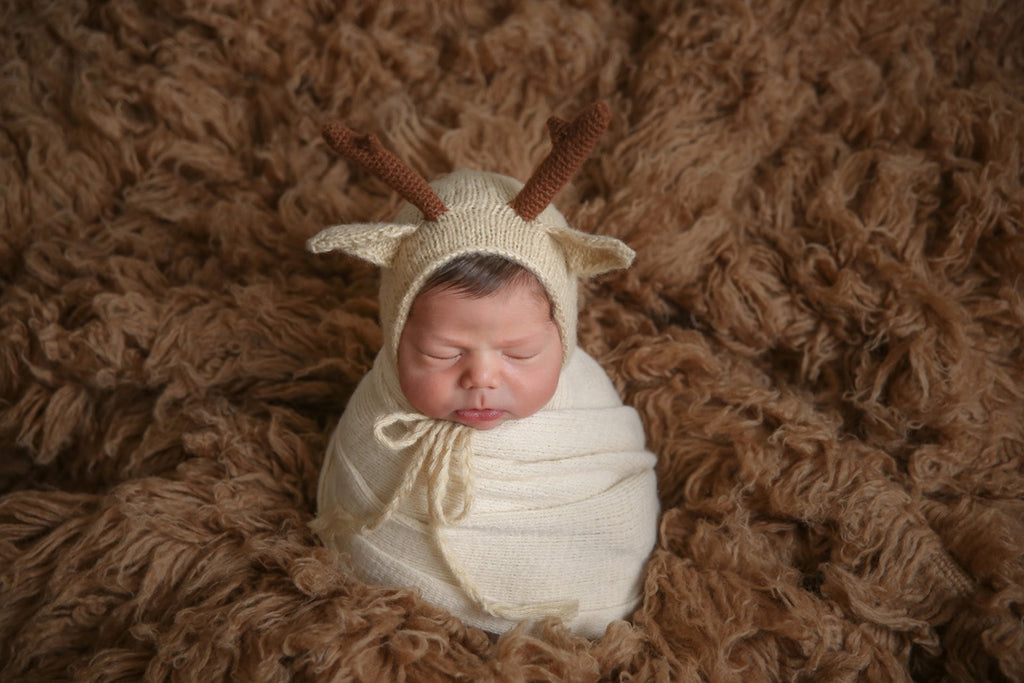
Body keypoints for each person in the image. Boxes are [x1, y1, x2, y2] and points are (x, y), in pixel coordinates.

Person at [308, 104, 660, 638]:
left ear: (563, 336)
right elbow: (352, 510)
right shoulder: (381, 413)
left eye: (519, 354)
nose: (482, 378)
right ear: (397, 333)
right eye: (444, 353)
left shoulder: (585, 411)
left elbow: (619, 520)